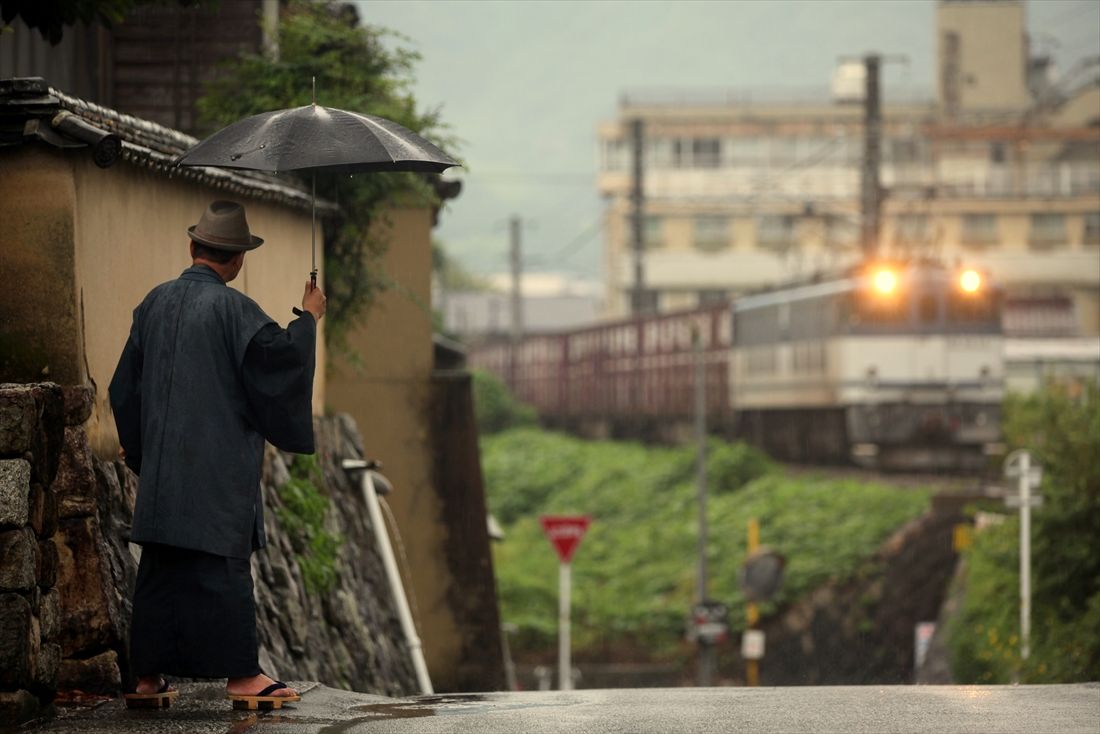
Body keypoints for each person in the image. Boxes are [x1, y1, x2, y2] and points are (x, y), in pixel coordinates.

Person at [108, 200, 326, 710]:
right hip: (216, 470)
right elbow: (281, 363)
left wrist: (141, 450)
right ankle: (243, 676)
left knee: (160, 569)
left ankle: (146, 680)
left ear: (192, 247)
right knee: (223, 568)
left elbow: (124, 388)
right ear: (239, 260)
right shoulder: (236, 310)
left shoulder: (153, 302)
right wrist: (309, 318)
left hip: (164, 471)